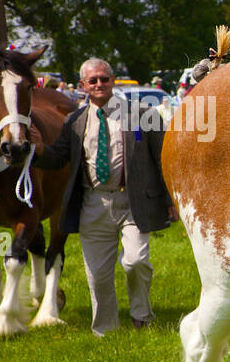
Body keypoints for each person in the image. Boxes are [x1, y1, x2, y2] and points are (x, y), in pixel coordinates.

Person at [32, 57, 176, 335]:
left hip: (133, 202)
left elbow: (163, 158)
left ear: (112, 81)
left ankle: (142, 315)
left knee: (135, 262)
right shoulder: (74, 121)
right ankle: (105, 328)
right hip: (93, 203)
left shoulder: (142, 114)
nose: (99, 84)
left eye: (104, 79)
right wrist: (37, 148)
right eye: (93, 80)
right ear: (83, 85)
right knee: (97, 274)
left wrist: (170, 200)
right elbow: (58, 157)